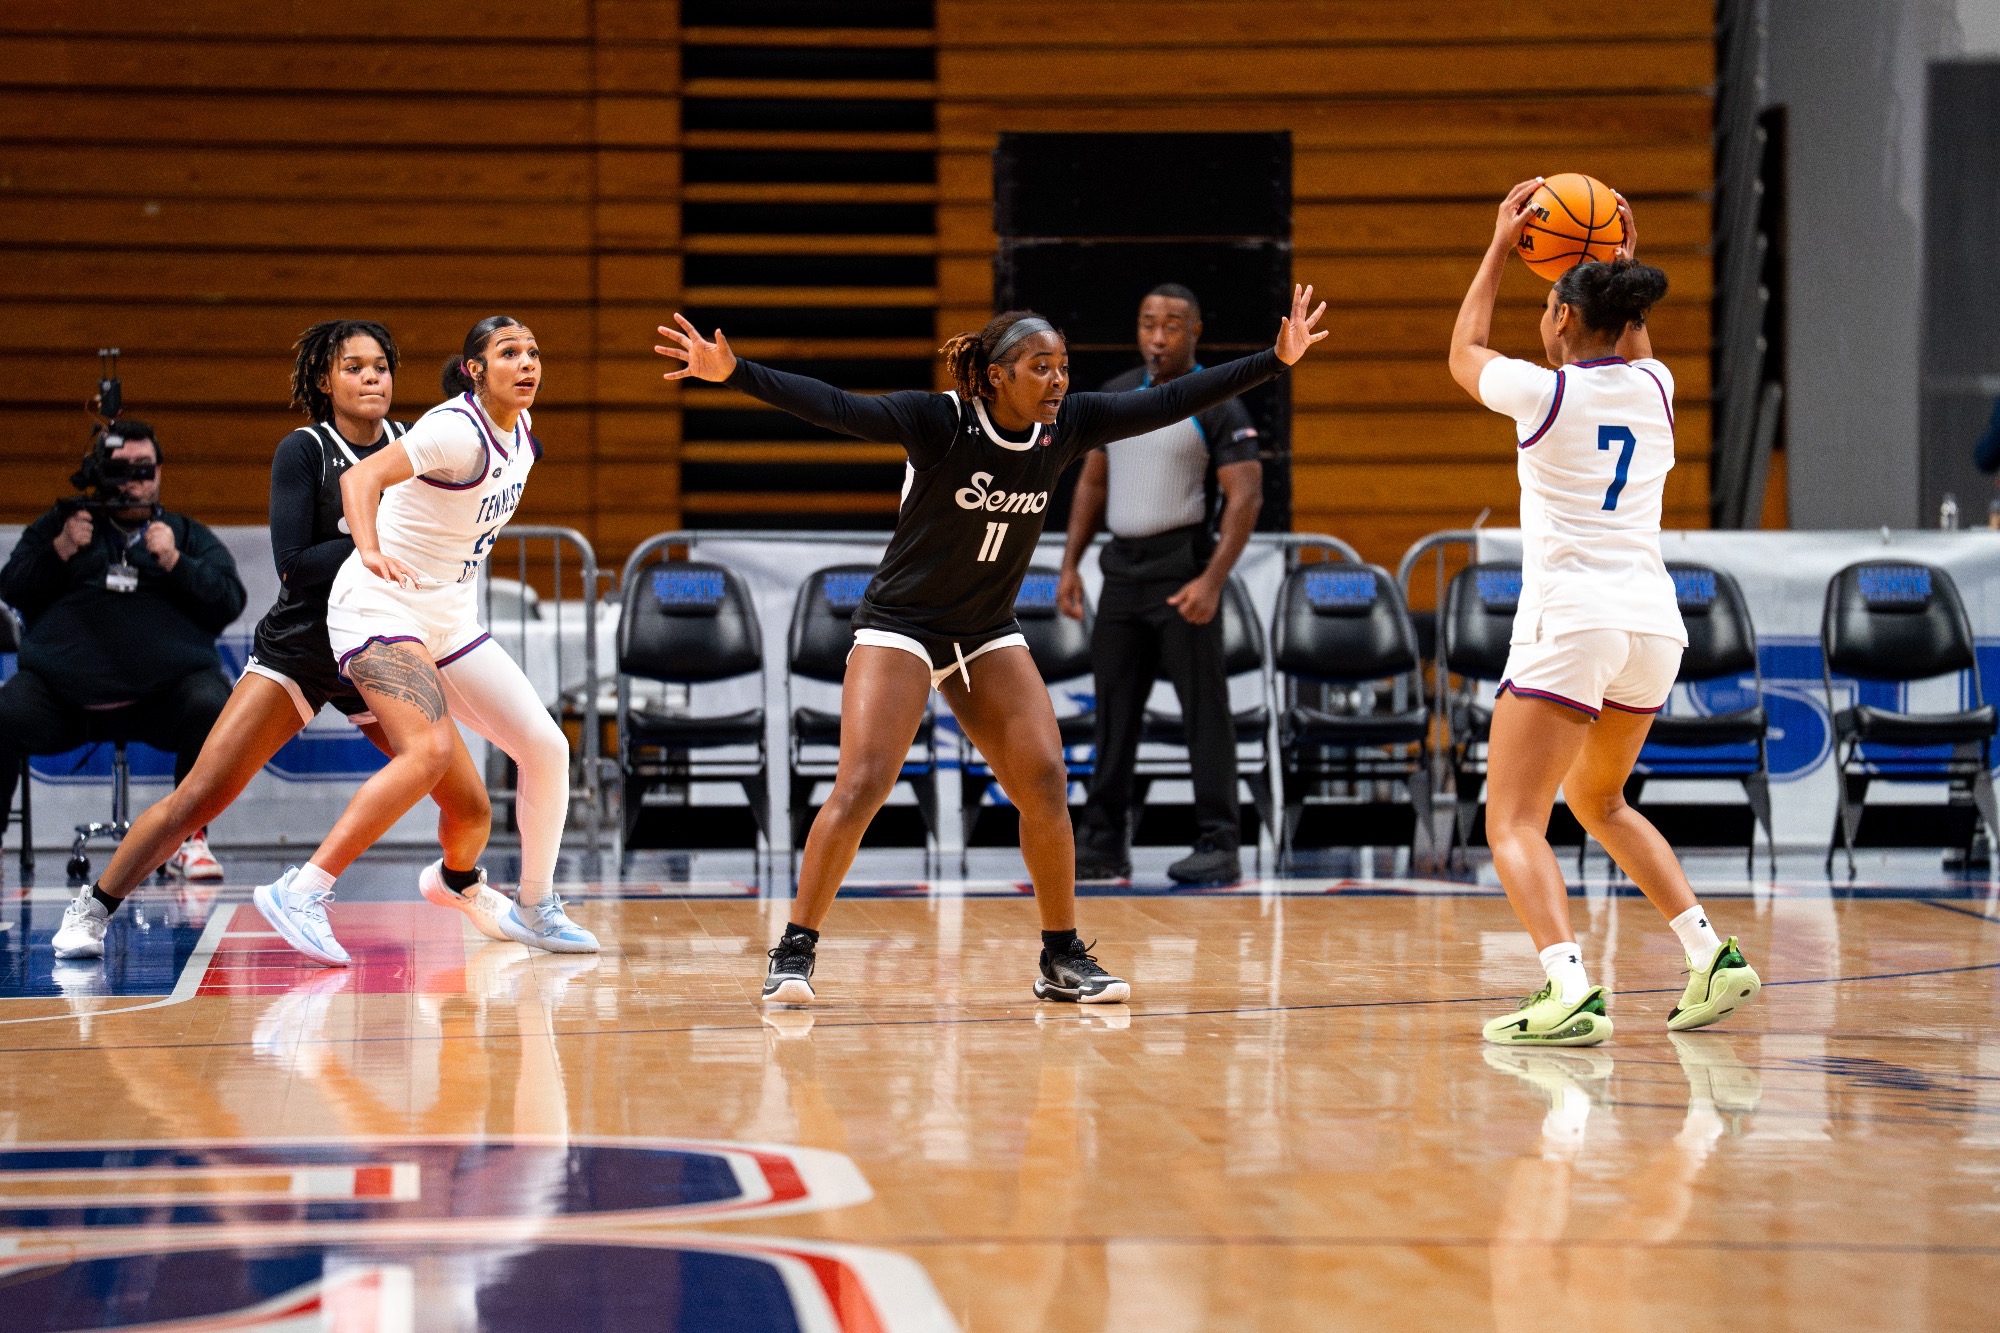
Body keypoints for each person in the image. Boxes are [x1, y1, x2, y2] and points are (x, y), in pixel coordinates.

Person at [655, 285, 1328, 1007]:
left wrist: (1275, 359)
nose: (1059, 380)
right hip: (903, 623)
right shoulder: (939, 420)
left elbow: (1172, 400)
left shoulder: (1066, 426)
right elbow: (839, 406)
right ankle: (795, 948)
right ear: (997, 375)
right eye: (1041, 367)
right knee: (864, 782)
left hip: (982, 630)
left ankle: (1061, 956)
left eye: (1063, 366)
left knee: (1042, 778)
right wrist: (739, 373)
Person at [50, 321, 508, 961]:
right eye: (354, 367)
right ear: (326, 381)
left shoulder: (414, 445)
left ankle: (463, 885)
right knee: (199, 798)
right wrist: (372, 545)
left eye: (381, 366)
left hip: (379, 649)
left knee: (469, 803)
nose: (371, 378)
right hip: (302, 650)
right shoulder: (305, 451)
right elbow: (294, 563)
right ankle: (92, 907)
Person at [1447, 180, 1761, 1046]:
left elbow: (1464, 345)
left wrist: (1500, 245)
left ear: (1556, 323)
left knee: (1510, 818)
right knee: (1600, 799)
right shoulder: (1655, 386)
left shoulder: (1541, 395)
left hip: (1574, 618)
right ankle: (1710, 953)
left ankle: (1568, 988)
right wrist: (1616, 255)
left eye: (1550, 309)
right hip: (1653, 627)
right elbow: (1630, 335)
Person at [252, 315, 595, 966]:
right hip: (379, 606)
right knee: (429, 750)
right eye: (508, 353)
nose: (527, 363)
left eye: (533, 352)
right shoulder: (451, 429)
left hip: (450, 619)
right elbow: (360, 481)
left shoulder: (520, 433)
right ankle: (302, 888)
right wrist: (371, 549)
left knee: (546, 747)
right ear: (474, 370)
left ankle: (537, 904)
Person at [1058, 283, 1264, 884]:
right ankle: (1102, 842)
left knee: (1205, 712)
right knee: (1113, 713)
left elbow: (1245, 495)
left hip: (1183, 573)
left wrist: (1212, 580)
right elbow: (1092, 484)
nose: (1157, 336)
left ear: (1195, 331)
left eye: (1172, 324)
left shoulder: (1219, 401)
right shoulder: (1117, 397)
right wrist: (1071, 563)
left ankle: (1219, 842)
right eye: (1149, 323)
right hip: (1122, 572)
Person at [0, 421, 245, 884]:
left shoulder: (184, 535)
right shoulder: (67, 525)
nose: (133, 480)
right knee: (3, 712)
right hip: (65, 700)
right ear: (99, 472)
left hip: (161, 701)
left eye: (144, 468)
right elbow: (11, 588)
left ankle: (190, 842)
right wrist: (60, 550)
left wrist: (176, 563)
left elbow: (228, 602)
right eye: (119, 469)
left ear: (159, 473)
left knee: (212, 701)